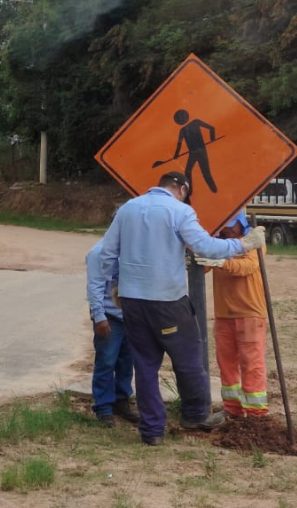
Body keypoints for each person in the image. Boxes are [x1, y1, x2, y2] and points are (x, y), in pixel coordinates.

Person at [99, 171, 266, 446]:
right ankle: (194, 414)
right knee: (188, 358)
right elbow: (204, 246)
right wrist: (244, 244)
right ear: (181, 188)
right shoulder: (180, 211)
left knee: (145, 365)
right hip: (167, 300)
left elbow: (107, 253)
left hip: (132, 300)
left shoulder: (127, 209)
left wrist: (115, 285)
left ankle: (152, 432)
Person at [195, 211, 269, 419]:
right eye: (225, 225)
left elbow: (247, 266)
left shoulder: (254, 241)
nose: (228, 229)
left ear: (241, 224)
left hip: (250, 313)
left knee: (251, 363)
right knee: (226, 363)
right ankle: (232, 409)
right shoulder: (218, 244)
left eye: (232, 225)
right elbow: (202, 267)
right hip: (224, 314)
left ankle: (256, 413)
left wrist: (222, 262)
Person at [86, 240, 140, 427]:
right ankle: (103, 407)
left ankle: (121, 400)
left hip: (131, 316)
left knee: (127, 361)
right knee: (107, 360)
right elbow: (95, 286)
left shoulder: (134, 249)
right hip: (109, 317)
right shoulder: (99, 253)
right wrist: (99, 317)